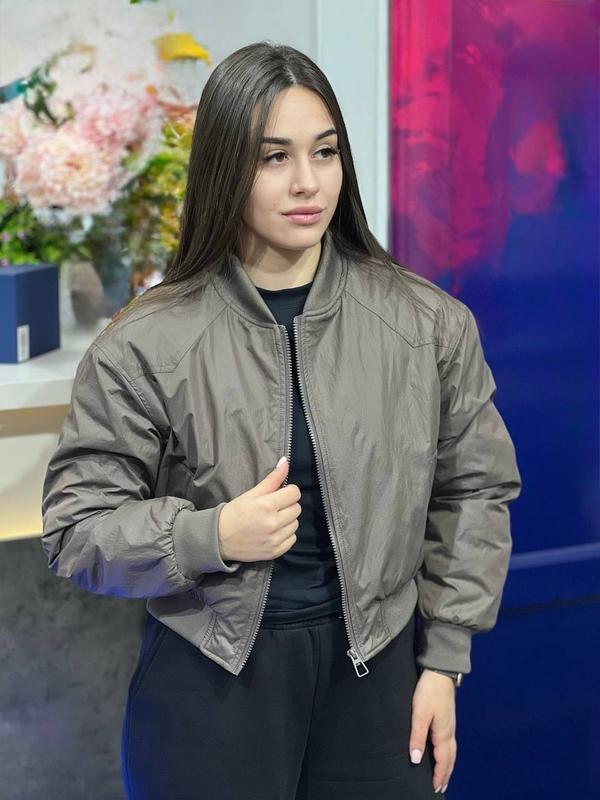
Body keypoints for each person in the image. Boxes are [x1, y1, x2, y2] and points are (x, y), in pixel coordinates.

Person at [40, 41, 522, 800]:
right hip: (211, 683)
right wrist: (210, 535)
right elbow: (77, 529)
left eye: (324, 152)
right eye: (274, 157)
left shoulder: (427, 324)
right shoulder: (146, 342)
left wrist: (443, 660)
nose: (307, 182)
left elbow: (475, 491)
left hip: (380, 680)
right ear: (225, 167)